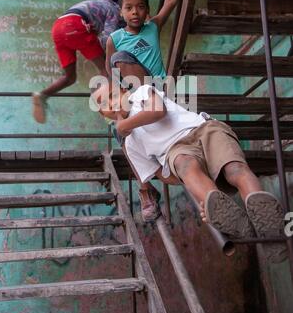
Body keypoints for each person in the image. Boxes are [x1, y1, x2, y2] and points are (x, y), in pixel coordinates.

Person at [93, 82, 288, 264]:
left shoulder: (142, 94)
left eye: (114, 94)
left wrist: (124, 126)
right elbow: (162, 174)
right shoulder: (131, 144)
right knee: (183, 163)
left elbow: (157, 111)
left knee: (234, 169)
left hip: (203, 129)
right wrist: (192, 182)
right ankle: (216, 205)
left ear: (125, 91)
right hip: (175, 151)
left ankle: (266, 220)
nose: (113, 103)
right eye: (105, 104)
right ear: (104, 115)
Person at [32, 0, 122, 124]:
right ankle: (108, 110)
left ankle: (42, 95)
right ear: (119, 1)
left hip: (58, 27)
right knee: (106, 69)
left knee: (69, 77)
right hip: (74, 25)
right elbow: (107, 37)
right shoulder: (113, 8)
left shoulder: (94, 4)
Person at [105, 0, 193, 85]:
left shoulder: (153, 27)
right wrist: (121, 90)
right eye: (129, 8)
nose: (135, 12)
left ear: (147, 10)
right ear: (121, 12)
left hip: (159, 87)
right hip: (135, 92)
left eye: (140, 7)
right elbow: (111, 69)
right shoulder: (114, 38)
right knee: (118, 57)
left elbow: (170, 2)